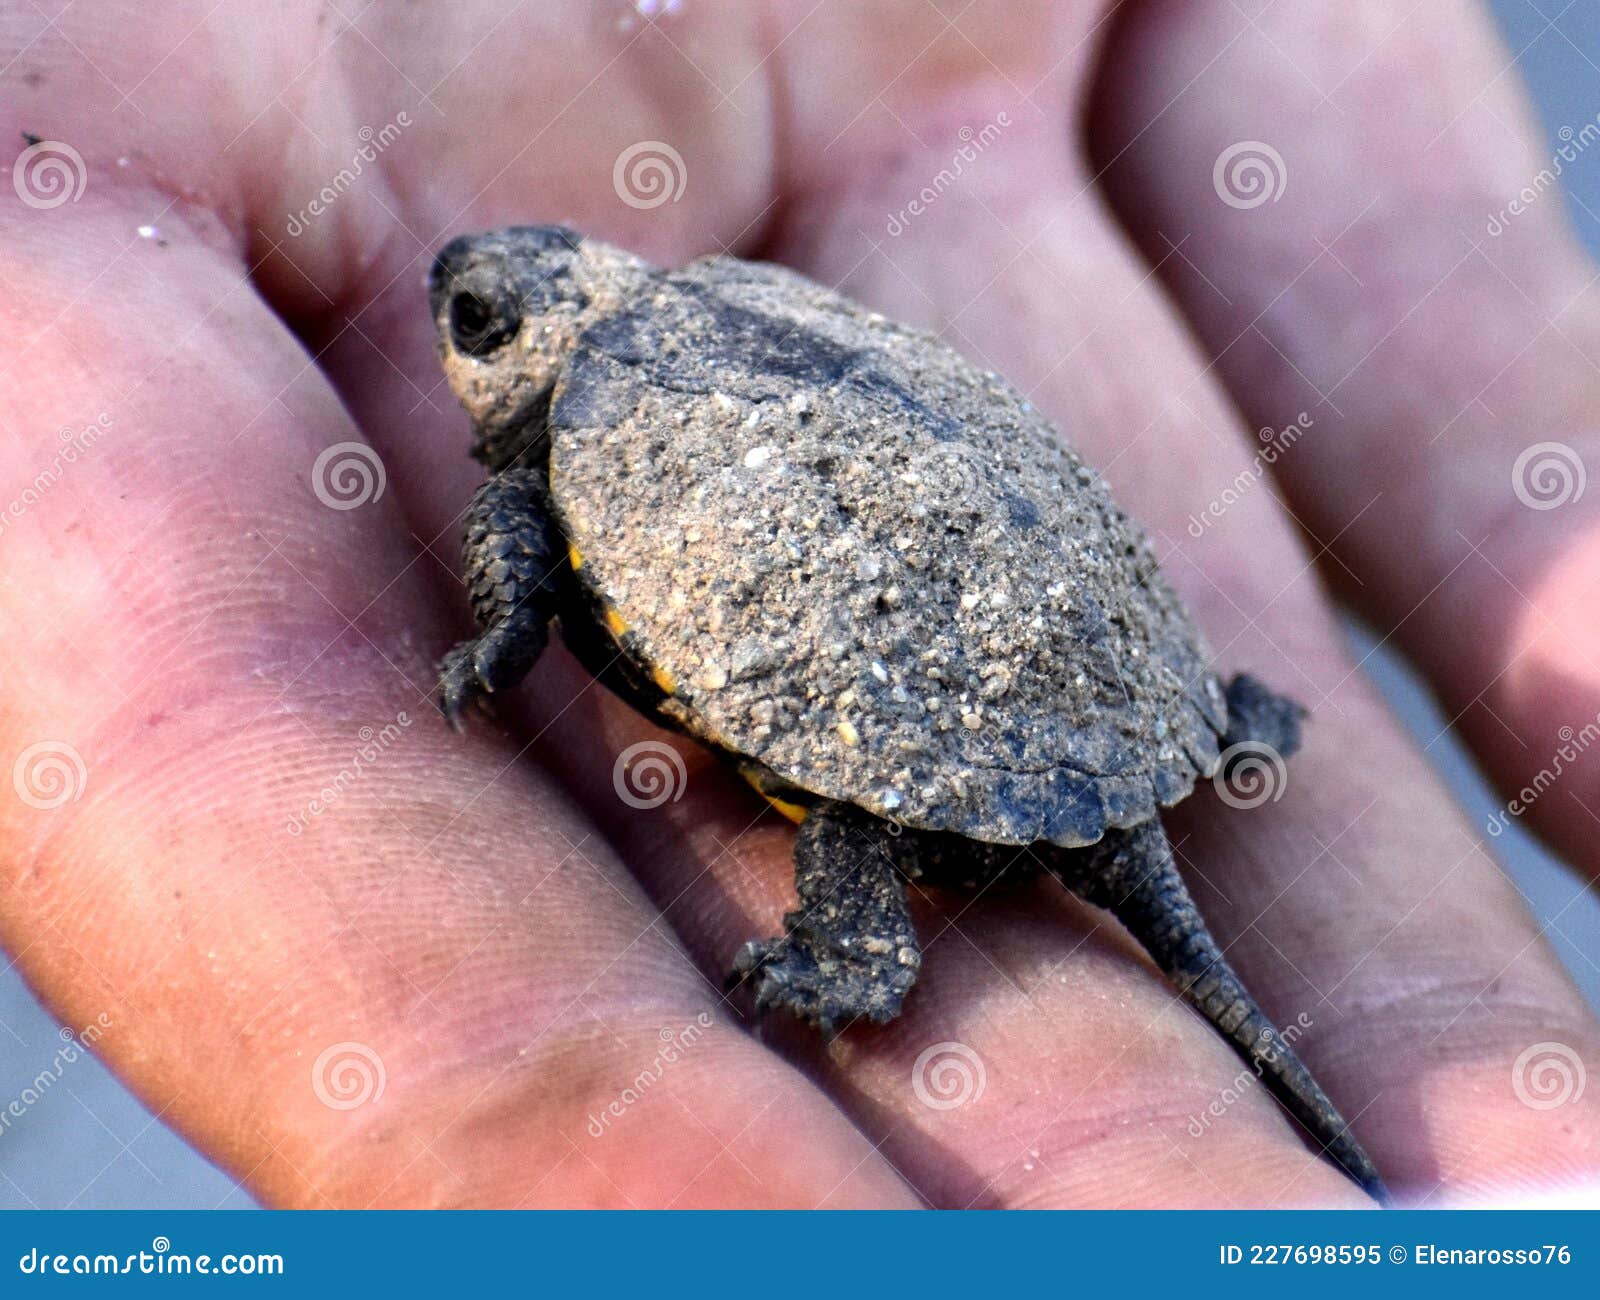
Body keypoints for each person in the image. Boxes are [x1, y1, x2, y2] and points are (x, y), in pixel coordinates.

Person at [0, 0, 1595, 1208]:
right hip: (1117, 664)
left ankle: (863, 945)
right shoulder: (737, 297)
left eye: (480, 319)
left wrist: (496, 639)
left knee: (843, 775)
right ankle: (1207, 721)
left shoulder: (558, 448)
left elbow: (531, 579)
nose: (461, 321)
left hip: (921, 728)